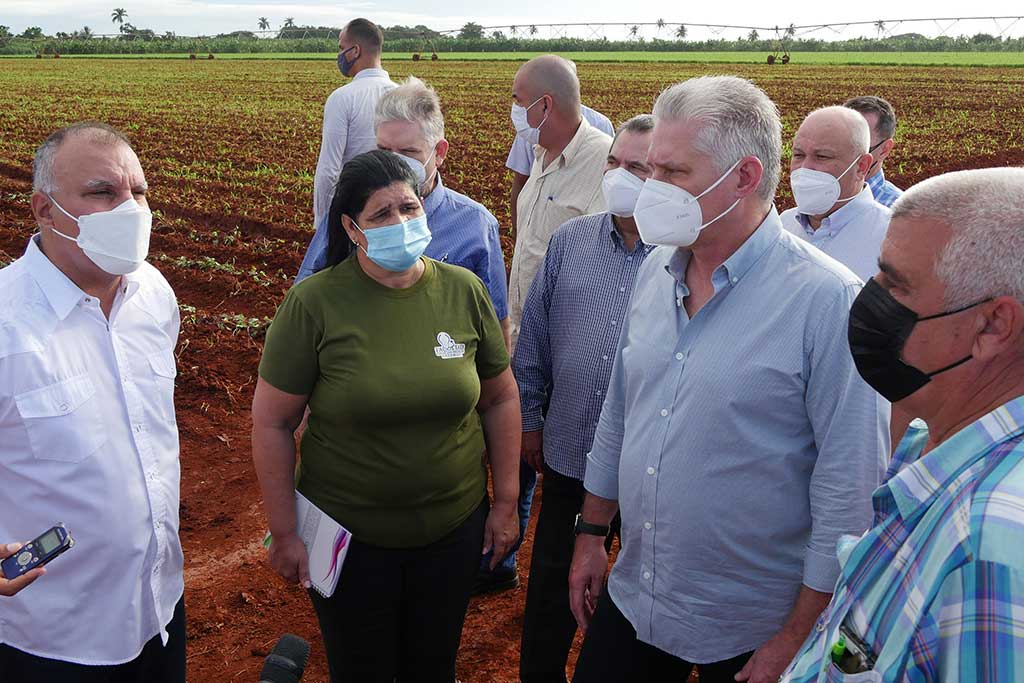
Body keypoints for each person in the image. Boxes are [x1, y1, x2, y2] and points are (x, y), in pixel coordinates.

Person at [567, 76, 889, 683]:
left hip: (754, 627)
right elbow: (621, 412)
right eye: (650, 170)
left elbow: (848, 486)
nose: (650, 189)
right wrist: (590, 532)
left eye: (672, 172)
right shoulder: (656, 269)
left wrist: (797, 637)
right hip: (638, 594)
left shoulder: (828, 301)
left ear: (743, 177)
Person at [252, 150, 521, 683]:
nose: (401, 222)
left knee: (433, 664)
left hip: (452, 530)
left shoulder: (463, 290)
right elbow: (273, 423)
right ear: (351, 228)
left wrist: (507, 502)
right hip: (351, 543)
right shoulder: (315, 303)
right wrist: (284, 532)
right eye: (382, 214)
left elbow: (500, 398)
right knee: (361, 669)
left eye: (410, 207)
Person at [782, 167, 1024, 682]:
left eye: (895, 285)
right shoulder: (929, 442)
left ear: (992, 325)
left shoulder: (992, 553)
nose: (869, 300)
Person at [0, 122, 185, 682]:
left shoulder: (153, 292)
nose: (128, 209)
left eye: (139, 192)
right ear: (45, 210)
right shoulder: (6, 323)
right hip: (50, 634)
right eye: (103, 193)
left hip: (159, 606)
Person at [515, 114, 655, 683]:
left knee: (636, 599)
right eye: (615, 163)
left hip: (648, 468)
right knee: (551, 587)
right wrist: (529, 420)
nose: (621, 175)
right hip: (572, 452)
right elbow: (536, 342)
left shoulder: (683, 257)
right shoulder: (572, 242)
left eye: (639, 168)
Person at [478, 54, 612, 594]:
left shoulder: (604, 165)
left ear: (545, 104)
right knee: (520, 450)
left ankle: (572, 569)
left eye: (517, 98)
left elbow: (607, 269)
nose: (513, 108)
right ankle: (503, 559)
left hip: (571, 354)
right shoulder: (540, 156)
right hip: (527, 344)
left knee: (565, 473)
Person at [296, 77, 511, 348]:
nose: (395, 163)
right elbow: (303, 297)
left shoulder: (475, 225)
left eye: (409, 152)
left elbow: (495, 322)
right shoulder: (350, 216)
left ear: (440, 152)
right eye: (384, 150)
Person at [780, 106, 891, 282]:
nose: (805, 168)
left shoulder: (892, 239)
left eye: (822, 156)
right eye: (798, 155)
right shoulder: (783, 225)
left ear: (861, 166)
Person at [309, 18, 396, 236]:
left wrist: (322, 224)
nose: (339, 55)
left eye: (341, 48)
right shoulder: (402, 95)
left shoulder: (343, 98)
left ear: (355, 51)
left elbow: (329, 169)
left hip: (356, 213)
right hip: (397, 211)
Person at [844, 95, 903, 207]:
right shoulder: (816, 198)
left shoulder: (898, 211)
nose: (845, 154)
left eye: (859, 145)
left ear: (884, 150)